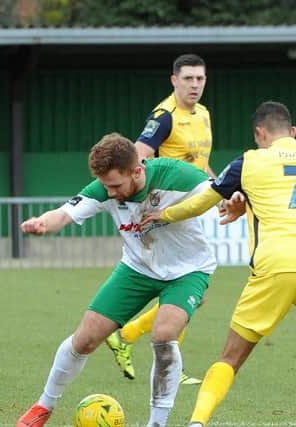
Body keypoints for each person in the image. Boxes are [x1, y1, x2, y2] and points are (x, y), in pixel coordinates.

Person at [141, 101, 296, 427]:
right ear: (292, 132)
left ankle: (197, 421)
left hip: (275, 262)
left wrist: (164, 214)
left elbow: (202, 202)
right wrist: (246, 202)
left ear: (259, 133)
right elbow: (289, 198)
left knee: (231, 357)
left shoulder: (249, 161)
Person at [16, 133, 217, 427]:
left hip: (188, 270)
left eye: (115, 186)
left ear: (137, 171)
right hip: (136, 270)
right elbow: (63, 214)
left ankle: (157, 423)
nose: (109, 193)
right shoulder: (104, 187)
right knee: (84, 339)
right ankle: (43, 407)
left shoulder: (176, 175)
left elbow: (218, 190)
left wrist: (233, 201)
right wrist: (42, 223)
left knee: (163, 334)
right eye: (106, 186)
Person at [105, 53, 215, 386]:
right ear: (174, 81)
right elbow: (137, 155)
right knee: (186, 286)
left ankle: (130, 335)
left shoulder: (204, 114)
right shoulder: (164, 117)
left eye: (200, 78)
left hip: (190, 209)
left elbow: (199, 163)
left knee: (193, 291)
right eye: (188, 79)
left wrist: (218, 191)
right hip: (166, 213)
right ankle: (147, 350)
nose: (194, 85)